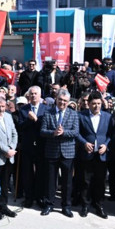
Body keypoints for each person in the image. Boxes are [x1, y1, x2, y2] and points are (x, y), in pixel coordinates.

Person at [40, 89, 79, 218]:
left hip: (68, 152)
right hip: (52, 151)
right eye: (60, 100)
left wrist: (63, 132)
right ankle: (49, 204)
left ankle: (66, 206)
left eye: (65, 101)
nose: (62, 102)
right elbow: (42, 131)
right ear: (56, 99)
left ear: (68, 102)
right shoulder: (48, 113)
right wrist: (53, 133)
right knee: (50, 180)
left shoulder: (73, 114)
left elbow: (75, 132)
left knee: (67, 182)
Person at [75, 91, 112, 218]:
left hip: (101, 154)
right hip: (87, 153)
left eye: (98, 103)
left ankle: (99, 205)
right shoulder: (81, 116)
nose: (96, 106)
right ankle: (85, 205)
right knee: (86, 181)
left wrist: (106, 145)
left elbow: (111, 134)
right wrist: (84, 143)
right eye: (94, 103)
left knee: (100, 181)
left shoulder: (107, 116)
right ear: (89, 104)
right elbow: (77, 133)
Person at [15, 86, 47, 209]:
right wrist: (29, 120)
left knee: (40, 173)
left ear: (40, 95)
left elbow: (46, 126)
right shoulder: (23, 109)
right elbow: (20, 126)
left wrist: (36, 119)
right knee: (27, 173)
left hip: (41, 146)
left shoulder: (46, 109)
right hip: (27, 146)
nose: (33, 96)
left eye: (35, 94)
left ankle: (39, 197)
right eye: (31, 94)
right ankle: (29, 198)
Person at [0, 95, 19, 219]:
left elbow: (14, 133)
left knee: (5, 183)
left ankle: (3, 205)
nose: (1, 109)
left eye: (3, 106)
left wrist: (11, 148)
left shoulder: (8, 116)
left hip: (9, 156)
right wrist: (6, 150)